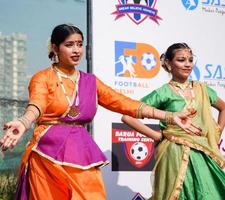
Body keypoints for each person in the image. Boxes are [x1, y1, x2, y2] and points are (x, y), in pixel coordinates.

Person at [0, 26, 199, 200]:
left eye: (79, 44)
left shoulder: (90, 82)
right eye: (69, 45)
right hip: (48, 151)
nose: (76, 50)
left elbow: (125, 104)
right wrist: (24, 122)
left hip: (80, 148)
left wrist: (170, 116)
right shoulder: (42, 78)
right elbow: (37, 104)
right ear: (55, 48)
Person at [122, 43, 225, 200]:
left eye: (190, 60)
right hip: (174, 152)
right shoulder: (163, 92)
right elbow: (127, 116)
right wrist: (156, 136)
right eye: (181, 60)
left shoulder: (202, 89)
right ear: (169, 64)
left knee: (210, 193)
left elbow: (223, 108)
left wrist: (215, 134)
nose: (187, 64)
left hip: (203, 152)